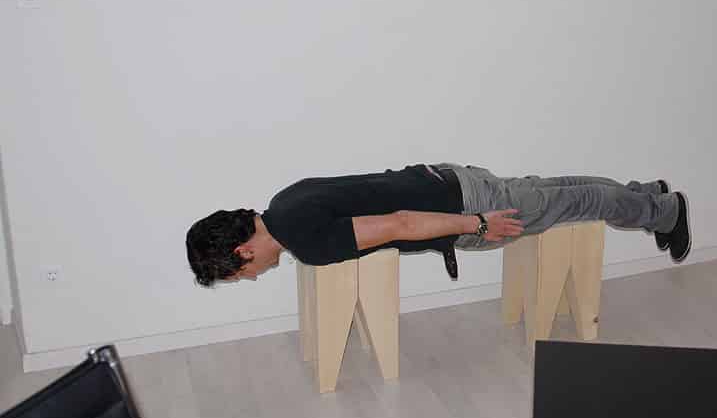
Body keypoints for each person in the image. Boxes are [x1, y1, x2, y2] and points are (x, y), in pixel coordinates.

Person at [185, 163, 691, 287]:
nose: (249, 278)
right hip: (444, 180)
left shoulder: (306, 242)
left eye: (238, 276)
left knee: (574, 203)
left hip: (461, 207)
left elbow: (398, 223)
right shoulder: (285, 201)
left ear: (241, 252)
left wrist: (476, 225)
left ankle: (664, 212)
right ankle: (647, 194)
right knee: (557, 191)